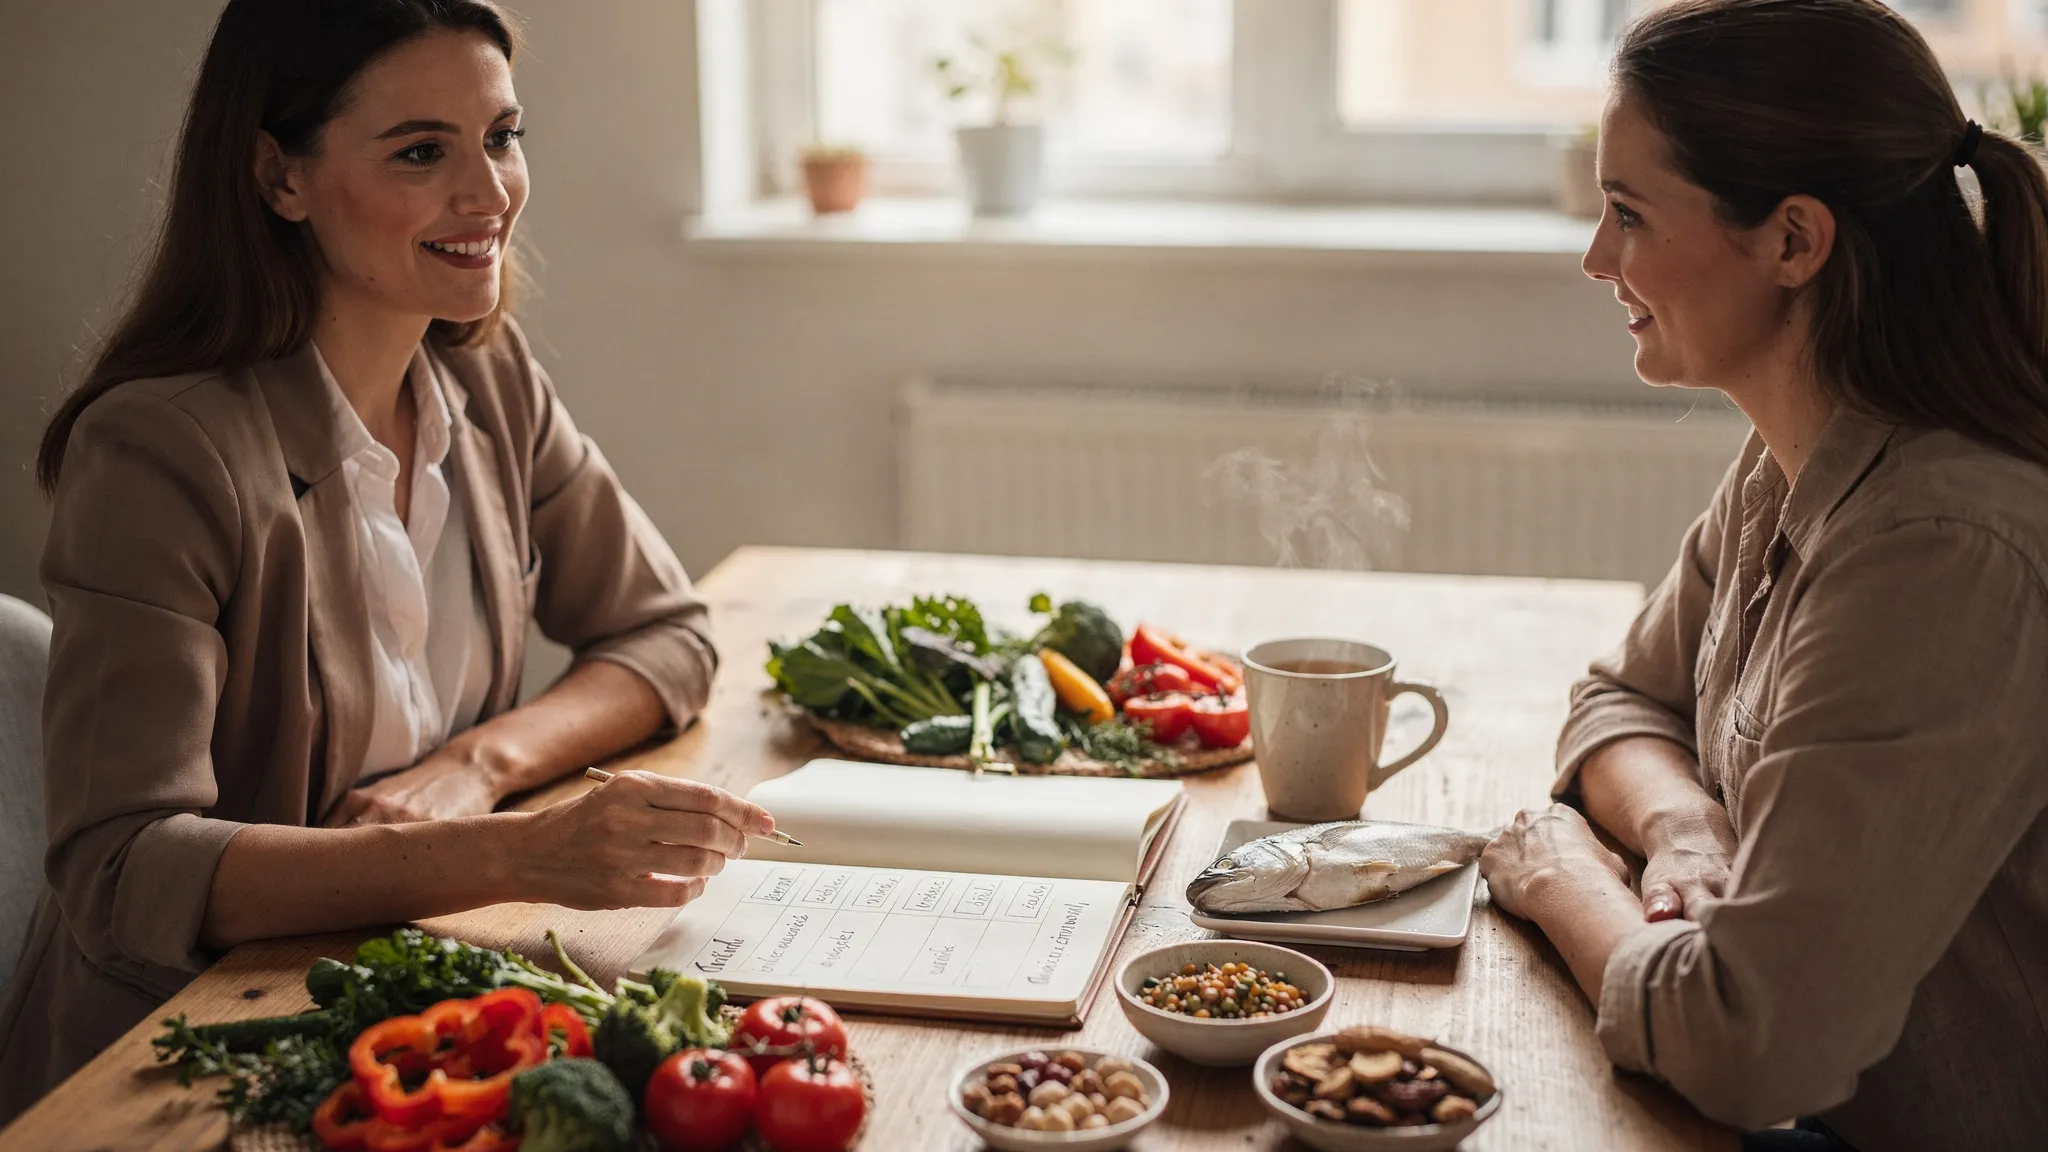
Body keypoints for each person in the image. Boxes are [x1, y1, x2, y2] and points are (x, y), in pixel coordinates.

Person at [0, 0, 773, 1123]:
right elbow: (126, 867)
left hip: (406, 1001)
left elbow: (667, 632)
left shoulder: (486, 383)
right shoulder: (159, 453)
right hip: (185, 1059)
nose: (488, 194)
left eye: (502, 137)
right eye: (423, 151)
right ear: (280, 177)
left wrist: (481, 767)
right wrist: (516, 854)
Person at [1476, 2, 2048, 1149]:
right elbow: (1624, 701)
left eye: (1629, 214)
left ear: (1792, 241)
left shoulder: (1936, 549)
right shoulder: (1798, 455)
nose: (1597, 259)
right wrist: (1682, 823)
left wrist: (1556, 879)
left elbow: (1747, 1043)